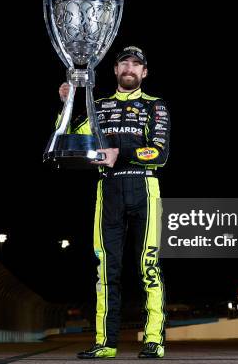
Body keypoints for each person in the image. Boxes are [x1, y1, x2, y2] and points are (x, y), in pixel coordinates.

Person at [57, 46, 170, 359]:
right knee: (106, 269)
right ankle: (105, 342)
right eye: (124, 64)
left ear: (144, 72)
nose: (130, 69)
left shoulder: (155, 106)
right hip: (108, 190)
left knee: (148, 266)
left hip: (145, 186)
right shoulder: (100, 106)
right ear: (116, 70)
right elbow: (69, 142)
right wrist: (67, 106)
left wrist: (121, 154)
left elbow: (159, 153)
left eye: (136, 64)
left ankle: (153, 340)